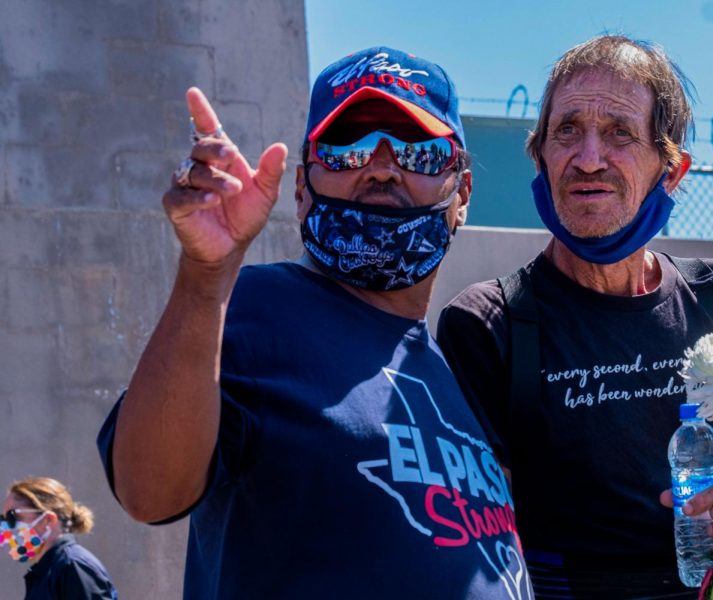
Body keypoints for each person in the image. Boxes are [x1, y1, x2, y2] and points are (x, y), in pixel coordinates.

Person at [96, 47, 532, 599]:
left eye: (417, 152)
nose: (379, 167)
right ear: (302, 189)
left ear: (462, 192)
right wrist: (206, 276)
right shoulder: (251, 306)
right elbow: (149, 491)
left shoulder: (450, 367)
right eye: (346, 150)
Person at [437, 35, 713, 599]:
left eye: (620, 133)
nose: (588, 157)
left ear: (671, 171)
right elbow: (476, 540)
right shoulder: (489, 323)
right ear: (541, 156)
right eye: (567, 130)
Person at [1, 477, 117, 599]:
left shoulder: (73, 566)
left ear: (48, 520)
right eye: (2, 519)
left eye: (11, 517)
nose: (5, 527)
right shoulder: (47, 569)